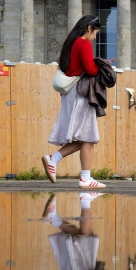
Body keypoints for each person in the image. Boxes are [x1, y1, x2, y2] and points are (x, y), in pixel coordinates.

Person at [41, 15, 108, 190]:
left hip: (71, 93)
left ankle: (54, 160)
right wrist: (101, 65)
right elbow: (91, 70)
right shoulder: (83, 43)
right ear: (88, 29)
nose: (94, 38)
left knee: (85, 137)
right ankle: (84, 178)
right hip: (81, 93)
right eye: (95, 34)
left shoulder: (71, 43)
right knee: (88, 137)